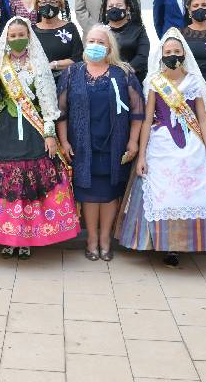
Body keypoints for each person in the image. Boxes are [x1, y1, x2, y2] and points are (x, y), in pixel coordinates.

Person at [116, 28, 206, 267]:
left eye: (176, 51)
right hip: (162, 145)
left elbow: (203, 120)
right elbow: (147, 120)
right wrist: (142, 156)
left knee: (192, 195)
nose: (173, 55)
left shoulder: (194, 82)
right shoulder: (155, 83)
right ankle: (167, 245)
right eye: (168, 52)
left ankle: (189, 242)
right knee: (164, 194)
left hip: (193, 145)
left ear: (184, 53)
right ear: (161, 55)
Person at [0, 16, 79, 258]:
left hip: (33, 131)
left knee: (29, 183)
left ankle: (27, 239)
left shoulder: (38, 65)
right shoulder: (1, 67)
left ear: (29, 37)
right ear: (7, 39)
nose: (17, 39)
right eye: (13, 36)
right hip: (5, 129)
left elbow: (47, 101)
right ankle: (7, 237)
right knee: (5, 184)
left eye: (21, 35)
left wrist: (50, 135)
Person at [58, 25, 144, 261]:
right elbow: (61, 111)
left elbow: (138, 111)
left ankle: (105, 239)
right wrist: (63, 141)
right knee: (88, 194)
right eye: (91, 41)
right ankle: (91, 239)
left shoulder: (123, 73)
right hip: (82, 144)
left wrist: (133, 141)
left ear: (109, 47)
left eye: (100, 42)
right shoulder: (72, 73)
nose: (95, 46)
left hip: (114, 144)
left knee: (108, 193)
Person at [100, 0, 149, 83]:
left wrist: (123, 72)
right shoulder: (101, 31)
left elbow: (142, 57)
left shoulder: (138, 30)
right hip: (105, 79)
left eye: (119, 5)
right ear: (105, 10)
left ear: (127, 9)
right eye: (110, 6)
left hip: (132, 79)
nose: (114, 8)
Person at [33, 0, 84, 82]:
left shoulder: (70, 28)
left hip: (66, 82)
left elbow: (78, 59)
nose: (48, 5)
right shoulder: (31, 30)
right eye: (43, 2)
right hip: (39, 83)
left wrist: (55, 65)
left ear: (60, 5)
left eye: (53, 2)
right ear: (37, 6)